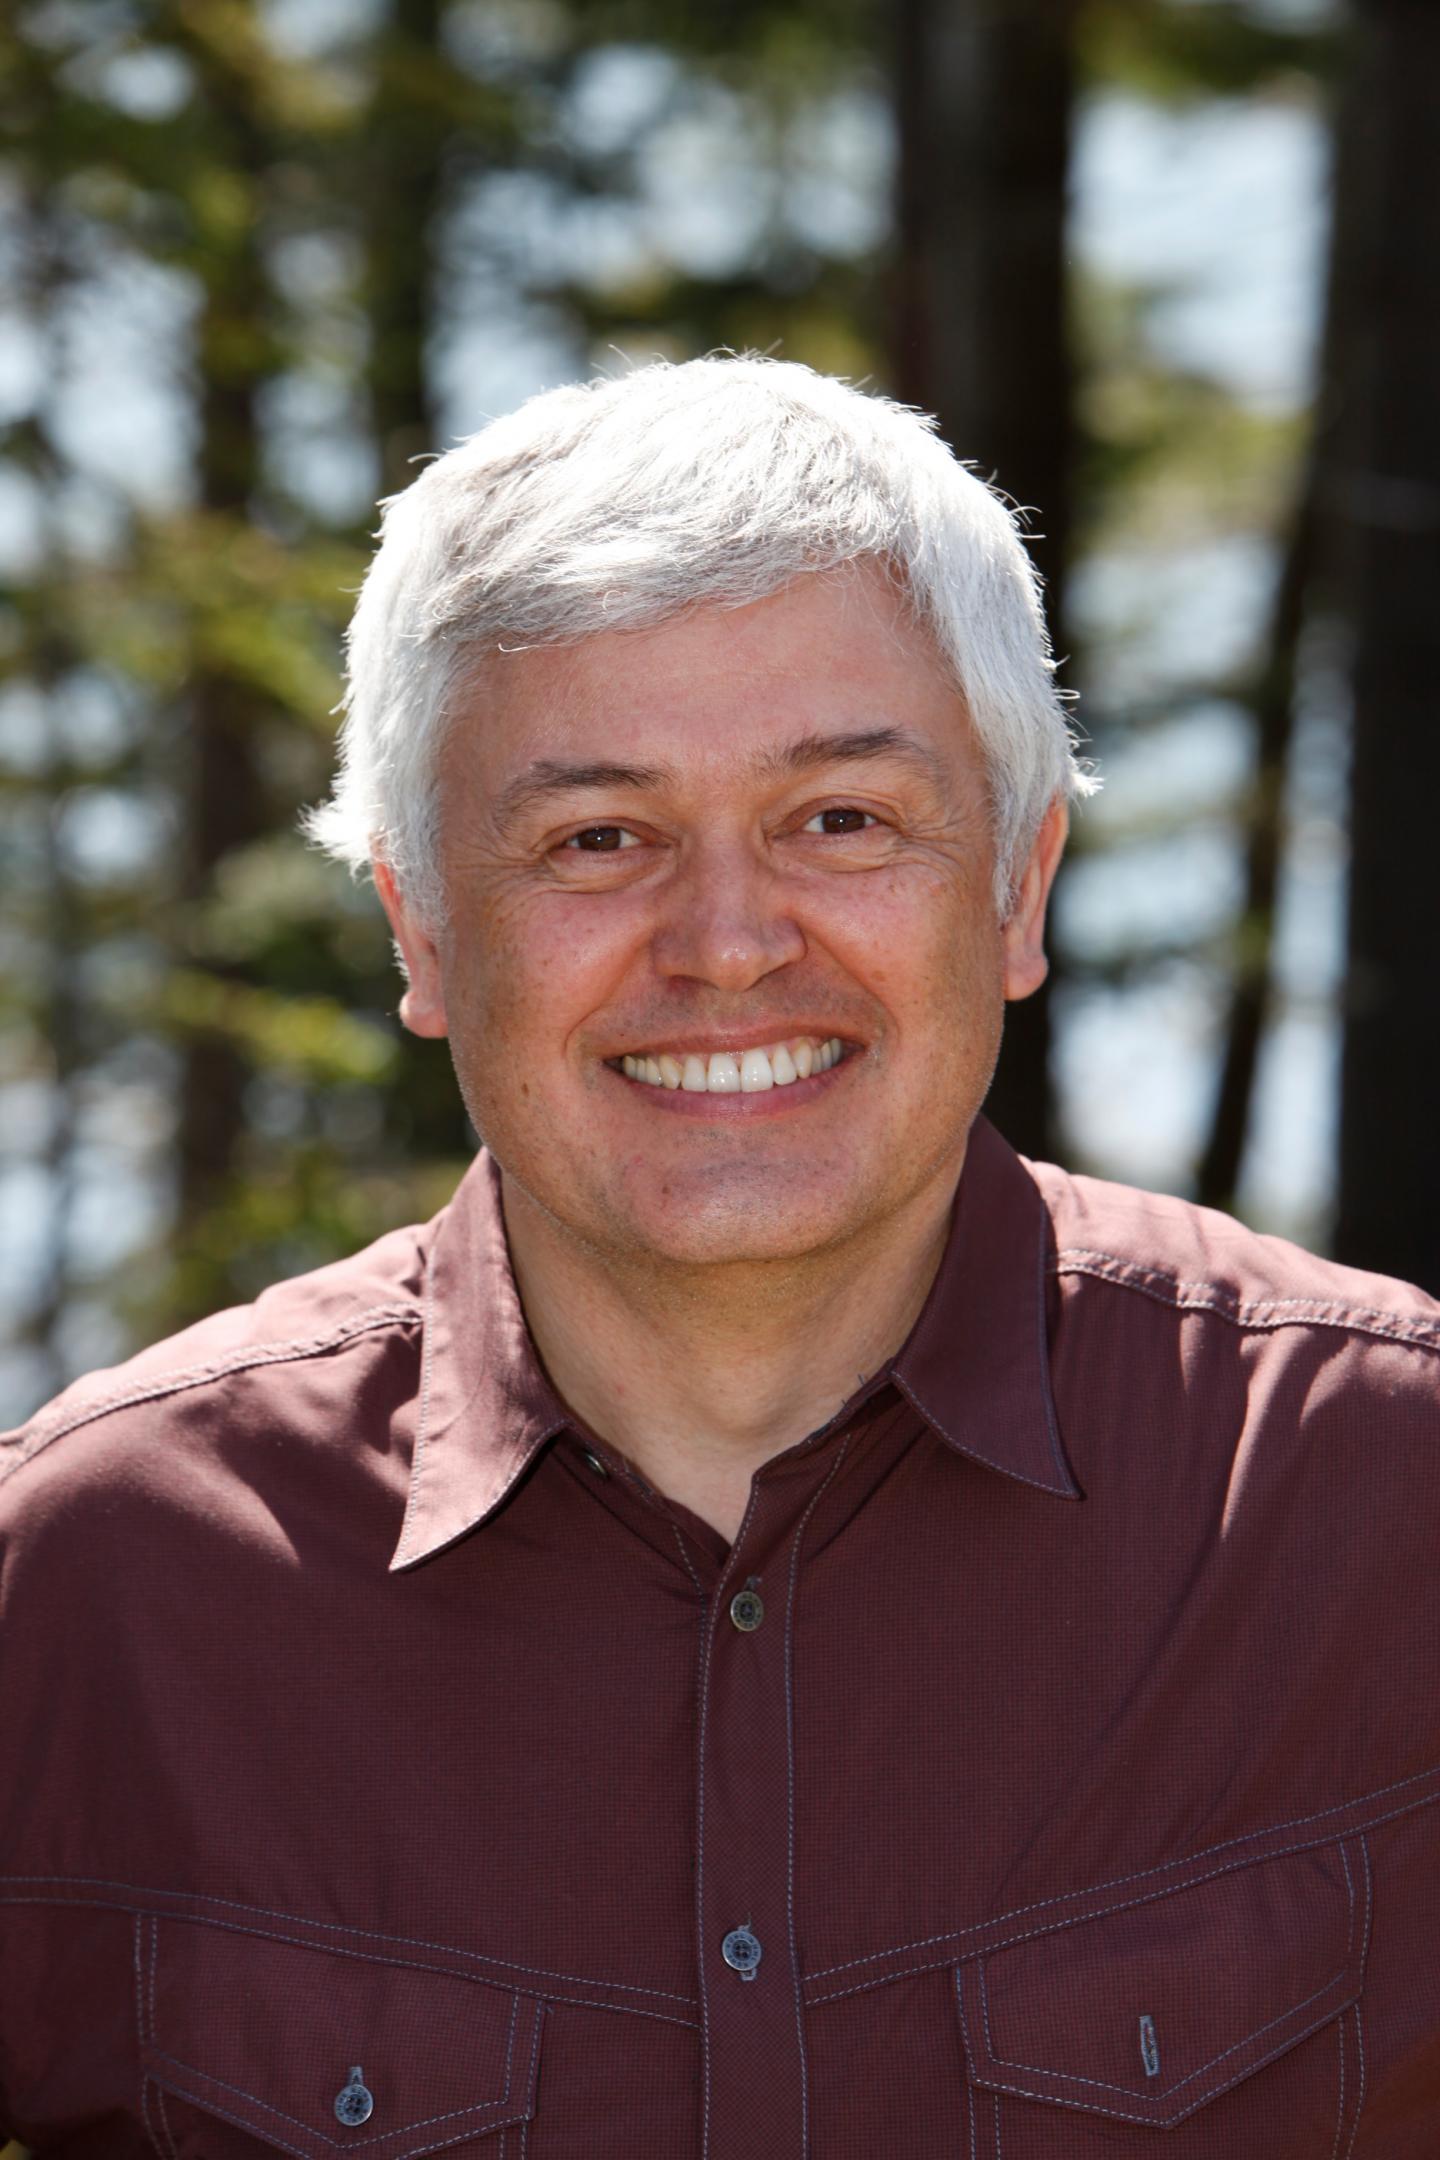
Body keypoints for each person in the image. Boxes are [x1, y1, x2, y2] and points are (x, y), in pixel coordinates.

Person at [0, 356, 1435, 2160]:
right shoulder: (86, 1587)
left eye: (840, 818)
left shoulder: (1391, 1504)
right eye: (599, 839)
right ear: (421, 929)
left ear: (1017, 885)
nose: (731, 943)